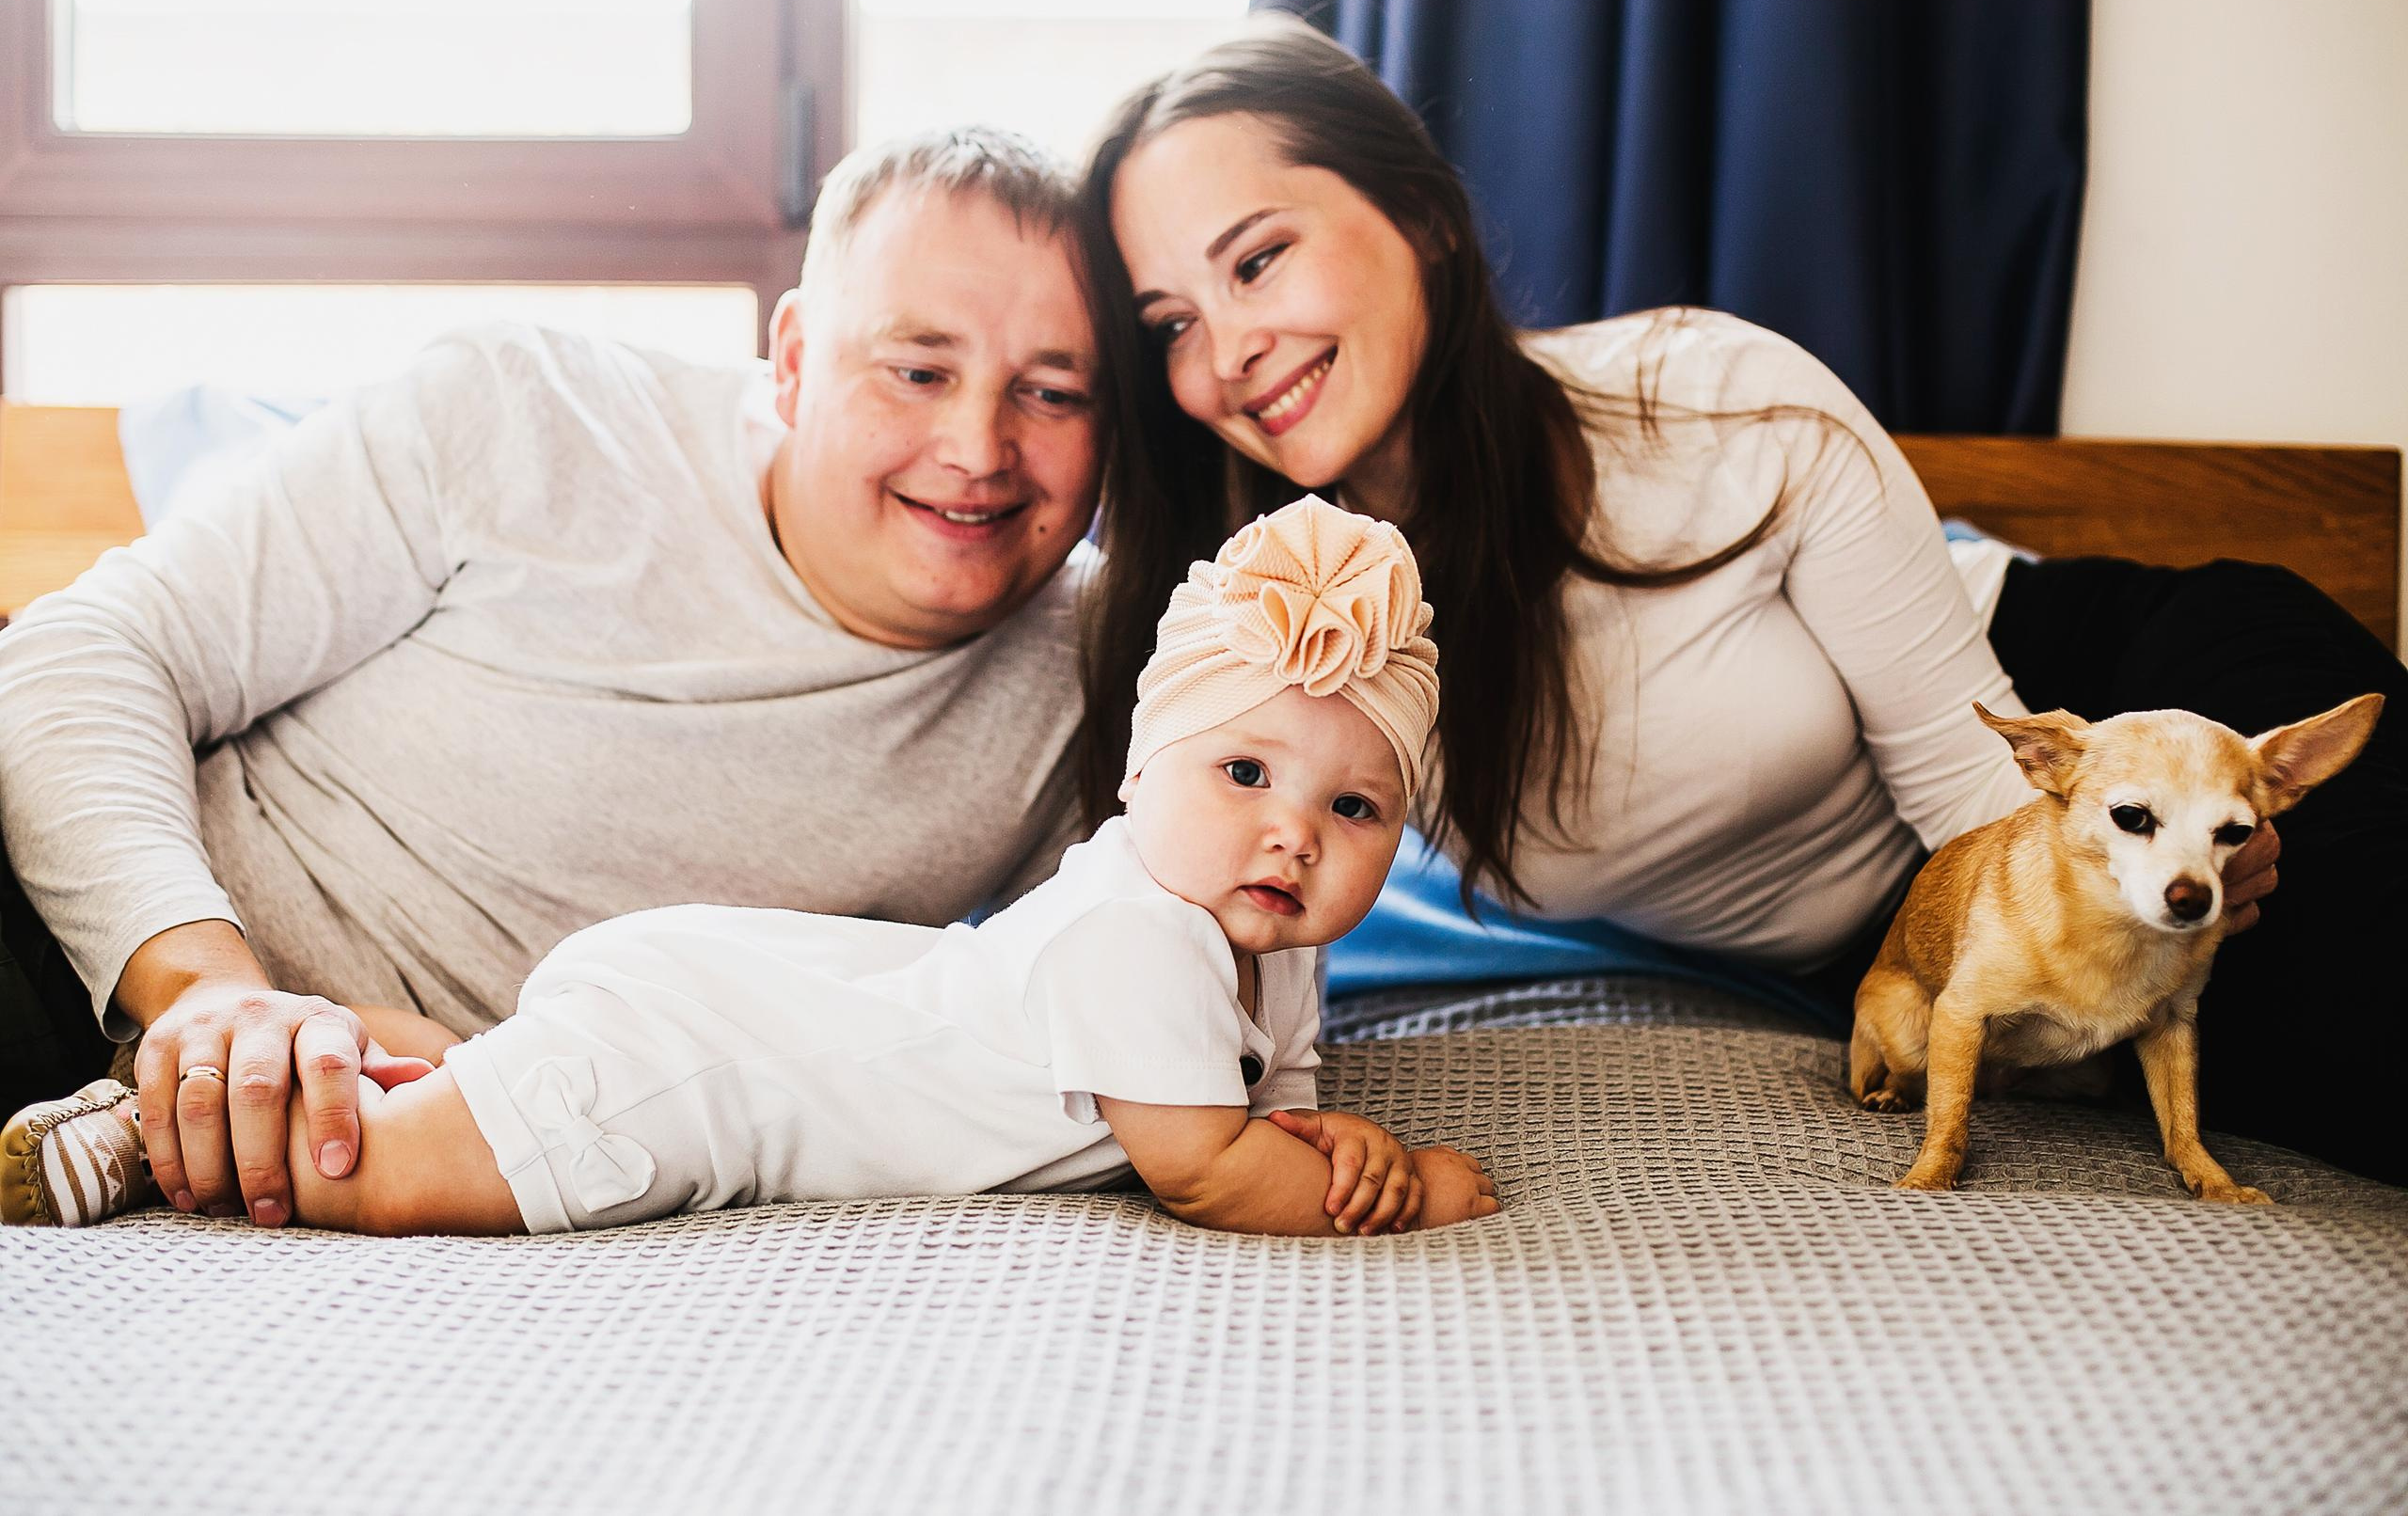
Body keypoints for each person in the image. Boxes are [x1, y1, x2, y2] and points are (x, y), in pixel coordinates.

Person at [1075, 18, 2408, 1184]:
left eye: (1255, 261)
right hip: (1898, 940)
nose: (1228, 351)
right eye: (1170, 324)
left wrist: (2139, 861)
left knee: (2334, 1021)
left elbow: (1973, 780)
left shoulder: (1712, 401)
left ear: (1422, 214)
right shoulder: (1270, 613)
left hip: (2090, 735)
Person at [0, 127, 1112, 1230]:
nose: (978, 447)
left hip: (326, 1129)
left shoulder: (1102, 686)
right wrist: (206, 990)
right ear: (794, 358)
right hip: (65, 914)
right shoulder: (526, 412)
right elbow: (85, 648)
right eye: (917, 371)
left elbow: (1066, 1034)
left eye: (1053, 393)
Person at [5, 496, 1500, 1239]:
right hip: (720, 1061)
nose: (1293, 831)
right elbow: (1211, 1164)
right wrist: (1412, 1186)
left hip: (739, 994)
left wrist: (1333, 1136)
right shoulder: (1143, 930)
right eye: (1243, 772)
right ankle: (150, 1133)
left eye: (1358, 807)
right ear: (1141, 771)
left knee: (488, 1084)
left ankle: (365, 1046)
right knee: (399, 1178)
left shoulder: (1276, 934)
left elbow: (1282, 1105)